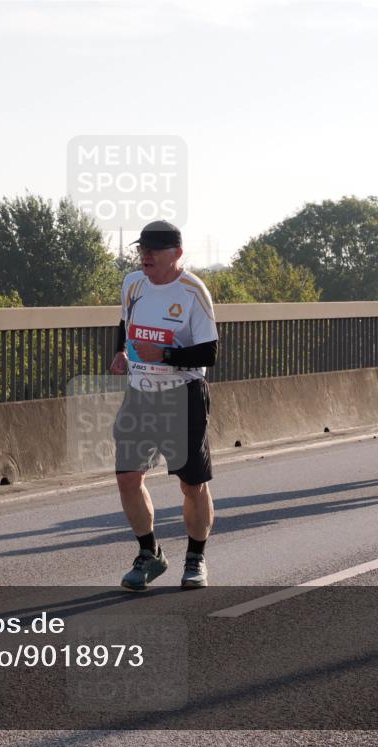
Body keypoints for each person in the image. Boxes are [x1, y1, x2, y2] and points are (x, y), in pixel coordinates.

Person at [108, 220, 219, 590]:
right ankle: (149, 553)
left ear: (178, 254)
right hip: (140, 393)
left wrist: (167, 354)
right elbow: (124, 324)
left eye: (154, 250)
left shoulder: (193, 292)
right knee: (127, 476)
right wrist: (121, 351)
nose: (146, 256)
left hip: (182, 395)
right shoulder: (132, 283)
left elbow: (210, 352)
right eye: (143, 249)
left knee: (191, 485)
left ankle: (196, 557)